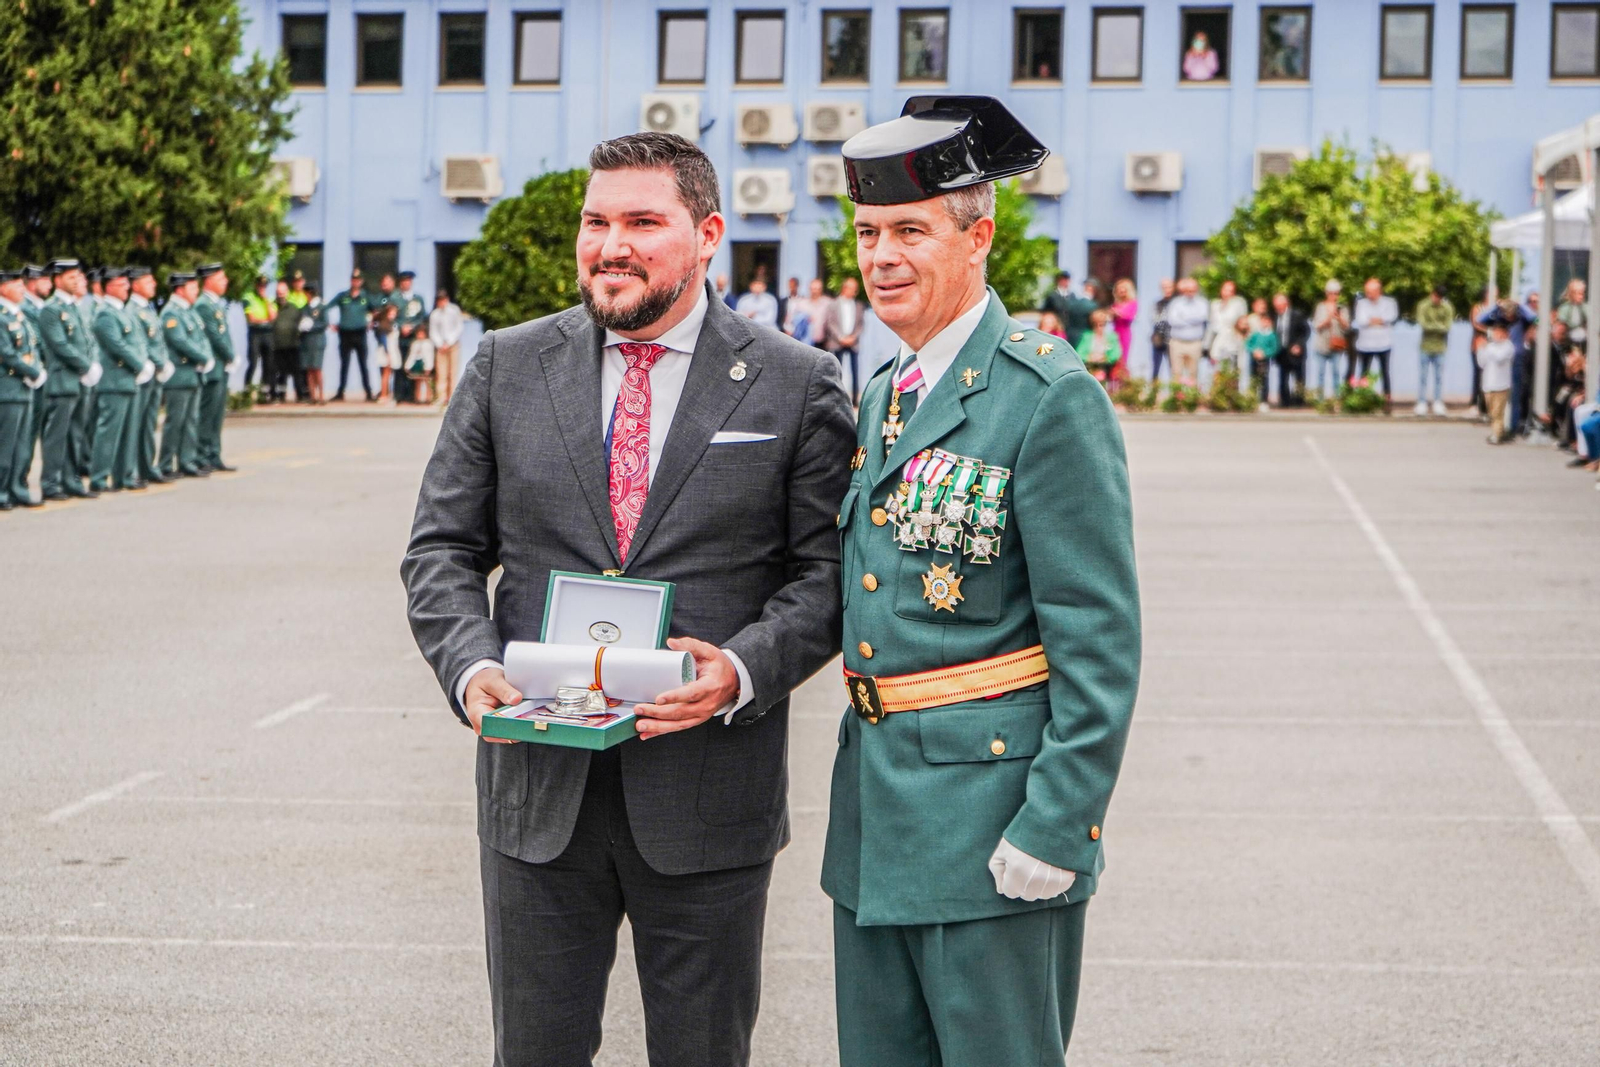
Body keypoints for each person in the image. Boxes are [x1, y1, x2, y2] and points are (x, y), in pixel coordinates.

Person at [401, 130, 853, 1067]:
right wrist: (471, 665)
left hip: (705, 798)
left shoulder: (794, 383)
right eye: (595, 221)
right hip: (537, 796)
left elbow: (826, 578)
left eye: (644, 222)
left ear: (707, 234)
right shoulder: (505, 367)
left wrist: (739, 669)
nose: (611, 244)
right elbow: (441, 549)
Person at [830, 94, 1140, 1067]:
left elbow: (1099, 642)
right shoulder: (885, 390)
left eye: (910, 231)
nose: (881, 255)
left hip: (993, 825)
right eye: (868, 231)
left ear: (978, 238)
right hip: (877, 825)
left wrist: (1058, 823)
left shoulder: (1047, 398)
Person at [36, 259, 96, 500]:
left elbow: (85, 341)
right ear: (57, 280)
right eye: (70, 277)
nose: (76, 281)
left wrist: (90, 366)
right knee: (57, 436)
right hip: (62, 381)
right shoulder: (51, 309)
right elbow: (59, 345)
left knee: (76, 435)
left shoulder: (74, 307)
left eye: (77, 277)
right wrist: (86, 365)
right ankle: (51, 483)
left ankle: (72, 480)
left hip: (79, 380)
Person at [88, 267, 152, 493]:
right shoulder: (105, 313)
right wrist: (139, 364)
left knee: (128, 433)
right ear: (109, 287)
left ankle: (124, 476)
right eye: (121, 284)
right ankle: (99, 478)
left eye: (127, 283)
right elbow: (116, 345)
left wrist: (143, 363)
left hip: (128, 380)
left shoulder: (124, 312)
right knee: (109, 433)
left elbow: (137, 343)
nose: (126, 287)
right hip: (114, 381)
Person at [157, 272, 213, 477]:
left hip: (193, 374)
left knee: (191, 421)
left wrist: (206, 356)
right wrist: (202, 358)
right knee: (175, 422)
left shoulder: (190, 312)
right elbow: (179, 341)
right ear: (180, 289)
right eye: (192, 288)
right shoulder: (171, 313)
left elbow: (202, 338)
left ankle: (186, 461)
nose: (196, 291)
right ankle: (165, 464)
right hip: (179, 375)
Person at [0, 267, 46, 511]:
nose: (21, 288)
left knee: (22, 443)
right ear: (2, 288)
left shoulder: (18, 315)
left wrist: (37, 369)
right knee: (5, 445)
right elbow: (6, 353)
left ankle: (17, 488)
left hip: (24, 387)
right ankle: (1, 491)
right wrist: (33, 372)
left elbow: (32, 348)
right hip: (8, 387)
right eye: (15, 285)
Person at [127, 267, 173, 484]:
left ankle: (147, 465)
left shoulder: (148, 308)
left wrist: (163, 363)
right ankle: (133, 468)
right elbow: (142, 343)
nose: (154, 284)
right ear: (135, 284)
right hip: (145, 373)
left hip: (155, 373)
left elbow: (158, 340)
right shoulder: (133, 310)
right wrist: (158, 362)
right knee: (137, 423)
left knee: (149, 424)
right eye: (148, 281)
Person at [193, 263, 237, 472]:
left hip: (221, 366)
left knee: (217, 414)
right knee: (207, 413)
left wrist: (230, 357)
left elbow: (223, 335)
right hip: (212, 367)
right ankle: (202, 455)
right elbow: (214, 335)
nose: (225, 282)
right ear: (209, 281)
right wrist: (230, 356)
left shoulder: (215, 304)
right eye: (221, 279)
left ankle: (214, 453)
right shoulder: (203, 304)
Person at [329, 269, 376, 402]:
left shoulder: (365, 296)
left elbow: (375, 311)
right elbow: (327, 307)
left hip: (360, 333)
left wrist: (371, 321)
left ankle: (368, 392)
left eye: (358, 280)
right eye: (354, 279)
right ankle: (340, 392)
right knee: (344, 364)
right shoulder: (343, 296)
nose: (356, 282)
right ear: (351, 281)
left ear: (361, 282)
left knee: (363, 364)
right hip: (345, 333)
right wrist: (331, 324)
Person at [1351, 277, 1398, 408]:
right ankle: (1362, 398)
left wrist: (1373, 320)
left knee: (1385, 372)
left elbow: (1391, 317)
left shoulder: (1389, 302)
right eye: (1367, 291)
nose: (1368, 294)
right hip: (1365, 344)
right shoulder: (1361, 303)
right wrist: (1379, 321)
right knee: (1364, 372)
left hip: (1384, 343)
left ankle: (1387, 399)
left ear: (1378, 291)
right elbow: (1361, 321)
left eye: (1371, 291)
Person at [823, 275, 866, 403]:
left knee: (855, 370)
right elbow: (830, 323)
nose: (854, 291)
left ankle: (854, 401)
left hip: (853, 342)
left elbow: (861, 324)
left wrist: (853, 337)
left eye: (855, 288)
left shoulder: (858, 305)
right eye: (851, 288)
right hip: (837, 342)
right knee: (836, 370)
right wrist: (840, 337)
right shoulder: (834, 304)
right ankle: (836, 398)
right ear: (844, 288)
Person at [1414, 285, 1454, 417]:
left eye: (1440, 298)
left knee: (1439, 377)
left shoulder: (1447, 307)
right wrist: (1438, 326)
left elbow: (1447, 327)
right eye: (1436, 296)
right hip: (1425, 347)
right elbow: (1423, 324)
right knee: (1423, 377)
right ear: (1433, 294)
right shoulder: (1423, 305)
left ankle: (1438, 402)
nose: (1437, 299)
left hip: (1440, 347)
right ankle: (1421, 402)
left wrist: (1434, 326)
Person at [1478, 314, 1515, 444]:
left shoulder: (1508, 346)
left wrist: (1487, 348)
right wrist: (1481, 349)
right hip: (1488, 384)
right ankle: (1501, 431)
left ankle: (1496, 435)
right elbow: (1481, 363)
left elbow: (1499, 358)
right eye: (1495, 332)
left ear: (1505, 334)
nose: (1496, 334)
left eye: (1499, 332)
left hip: (1502, 385)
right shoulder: (1490, 347)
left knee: (1498, 412)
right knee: (1491, 412)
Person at [1166, 276, 1209, 386]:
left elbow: (1202, 317)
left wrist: (1183, 317)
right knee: (1176, 374)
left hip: (1194, 343)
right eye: (1188, 290)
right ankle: (1176, 399)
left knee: (1193, 375)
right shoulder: (1176, 303)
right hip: (1177, 342)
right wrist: (1192, 320)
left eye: (1193, 290)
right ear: (1183, 290)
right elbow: (1172, 320)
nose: (1190, 292)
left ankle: (1191, 400)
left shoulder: (1202, 302)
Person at [1310, 280, 1349, 398]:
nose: (1334, 296)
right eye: (1331, 293)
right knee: (1320, 373)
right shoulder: (1320, 307)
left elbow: (1347, 327)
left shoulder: (1343, 308)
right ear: (1326, 293)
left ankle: (1337, 398)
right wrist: (1327, 320)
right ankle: (1320, 399)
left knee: (1336, 373)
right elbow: (1315, 326)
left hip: (1337, 345)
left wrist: (1339, 318)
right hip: (1321, 345)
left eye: (1336, 293)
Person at [1271, 292, 1308, 408]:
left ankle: (1299, 401)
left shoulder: (1297, 315)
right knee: (1283, 378)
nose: (1278, 307)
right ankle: (1285, 402)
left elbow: (1305, 331)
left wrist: (1298, 345)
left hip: (1295, 350)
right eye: (1276, 305)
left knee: (1299, 377)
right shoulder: (1274, 316)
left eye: (1280, 304)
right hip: (1281, 351)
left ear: (1286, 303)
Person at [428, 290, 464, 405]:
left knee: (453, 371)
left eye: (443, 299)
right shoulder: (435, 314)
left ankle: (452, 397)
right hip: (440, 346)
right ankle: (441, 397)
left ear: (447, 299)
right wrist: (440, 344)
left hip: (453, 344)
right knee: (441, 372)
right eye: (439, 299)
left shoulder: (454, 310)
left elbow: (459, 327)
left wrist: (449, 342)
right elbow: (433, 331)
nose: (441, 302)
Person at [242, 273, 275, 395]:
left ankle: (264, 392)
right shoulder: (248, 297)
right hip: (255, 333)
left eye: (264, 286)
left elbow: (272, 317)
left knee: (268, 363)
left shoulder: (270, 298)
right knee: (253, 362)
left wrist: (265, 299)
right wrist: (264, 320)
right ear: (256, 285)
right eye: (260, 286)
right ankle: (246, 391)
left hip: (267, 333)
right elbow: (251, 319)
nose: (262, 288)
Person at [270, 279, 302, 404]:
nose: (280, 295)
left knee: (296, 372)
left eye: (282, 292)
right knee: (279, 373)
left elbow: (301, 322)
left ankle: (300, 395)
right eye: (278, 292)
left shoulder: (294, 308)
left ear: (287, 292)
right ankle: (280, 395)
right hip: (276, 346)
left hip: (292, 345)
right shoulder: (271, 306)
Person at [1245, 298, 1279, 408]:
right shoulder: (1256, 333)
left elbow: (1274, 347)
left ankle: (1263, 400)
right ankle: (1251, 398)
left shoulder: (1271, 335)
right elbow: (1248, 343)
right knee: (1253, 377)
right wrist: (1254, 351)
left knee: (1264, 379)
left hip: (1265, 360)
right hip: (1254, 358)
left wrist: (1265, 353)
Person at [1082, 307, 1123, 383]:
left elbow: (1116, 353)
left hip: (1107, 369)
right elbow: (1079, 353)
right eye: (1096, 324)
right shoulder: (1087, 336)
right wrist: (1089, 358)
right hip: (1089, 368)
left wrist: (1105, 358)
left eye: (1102, 324)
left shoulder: (1112, 337)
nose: (1099, 327)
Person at [1109, 278, 1137, 382]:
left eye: (1123, 289)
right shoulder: (1116, 304)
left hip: (1124, 333)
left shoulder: (1132, 303)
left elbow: (1129, 317)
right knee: (1114, 357)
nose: (1121, 292)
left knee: (1123, 359)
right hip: (1115, 333)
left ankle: (1124, 382)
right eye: (1119, 289)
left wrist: (1118, 313)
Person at [401, 322, 435, 404]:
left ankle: (428, 398)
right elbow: (412, 356)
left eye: (422, 334)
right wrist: (407, 366)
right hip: (417, 364)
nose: (420, 335)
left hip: (425, 364)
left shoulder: (428, 343)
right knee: (418, 382)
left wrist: (429, 367)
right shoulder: (415, 344)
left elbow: (429, 356)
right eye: (418, 334)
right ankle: (418, 398)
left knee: (428, 382)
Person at [1150, 277, 1175, 383]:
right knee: (1155, 368)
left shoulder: (1176, 303)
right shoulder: (1157, 304)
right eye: (1164, 287)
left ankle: (1174, 393)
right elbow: (1155, 320)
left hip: (1172, 339)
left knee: (1173, 368)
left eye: (1169, 287)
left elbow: (1175, 320)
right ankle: (1154, 393)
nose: (1167, 289)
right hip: (1158, 339)